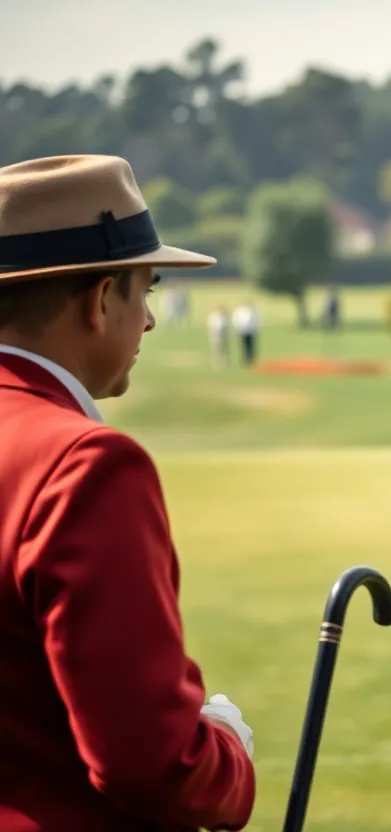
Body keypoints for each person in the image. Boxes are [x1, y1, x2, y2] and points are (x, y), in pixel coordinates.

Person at [0, 155, 257, 831]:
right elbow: (150, 764)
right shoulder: (85, 464)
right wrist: (228, 752)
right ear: (101, 296)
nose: (145, 320)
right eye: (145, 289)